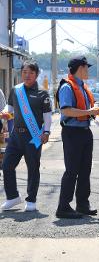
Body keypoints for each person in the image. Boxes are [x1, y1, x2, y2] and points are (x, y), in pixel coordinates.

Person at [56, 56, 99, 219]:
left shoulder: (82, 86)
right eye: (86, 67)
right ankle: (63, 207)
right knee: (72, 171)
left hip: (84, 132)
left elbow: (84, 109)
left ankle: (82, 204)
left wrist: (94, 111)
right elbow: (67, 111)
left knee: (85, 170)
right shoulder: (67, 87)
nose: (88, 70)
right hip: (72, 133)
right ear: (80, 68)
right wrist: (90, 112)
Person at [0, 60, 52, 212]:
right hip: (16, 135)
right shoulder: (16, 90)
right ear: (21, 73)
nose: (27, 75)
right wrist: (5, 113)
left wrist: (47, 132)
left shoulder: (42, 93)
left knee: (33, 168)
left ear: (36, 75)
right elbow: (9, 108)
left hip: (34, 136)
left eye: (31, 73)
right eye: (24, 72)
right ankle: (12, 197)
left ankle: (31, 200)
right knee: (7, 165)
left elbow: (47, 116)